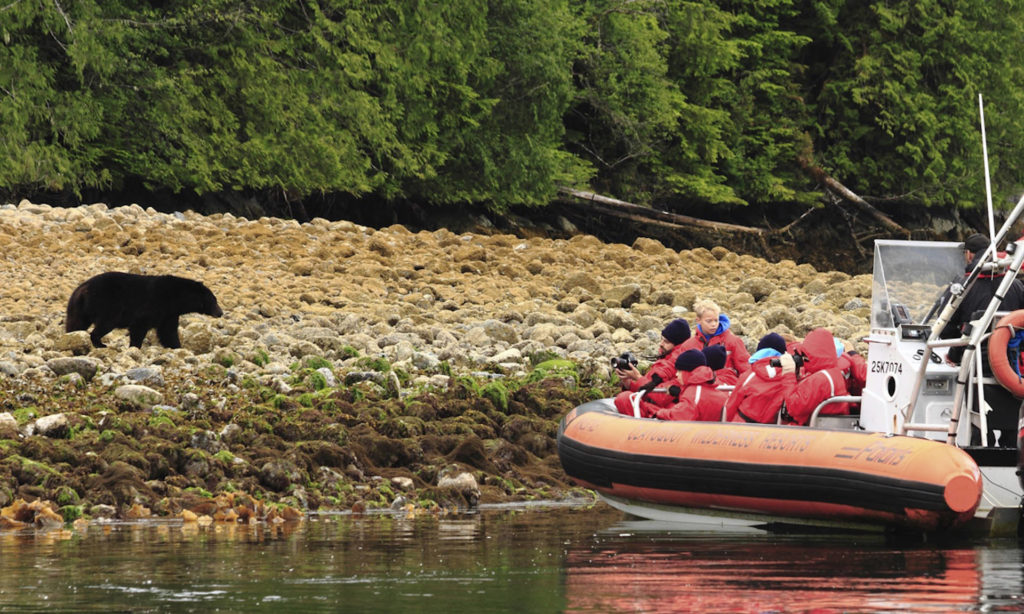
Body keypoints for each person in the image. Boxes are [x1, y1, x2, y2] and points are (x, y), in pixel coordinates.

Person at [939, 232, 1024, 446]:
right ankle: (1010, 448)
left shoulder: (964, 285)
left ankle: (977, 447)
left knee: (977, 417)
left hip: (976, 363)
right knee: (1010, 418)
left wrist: (954, 353)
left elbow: (946, 330)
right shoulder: (1015, 286)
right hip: (1011, 365)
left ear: (970, 255)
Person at [613, 318, 691, 417]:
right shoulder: (664, 360)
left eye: (666, 342)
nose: (661, 344)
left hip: (666, 414)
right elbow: (648, 387)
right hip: (654, 409)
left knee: (624, 398)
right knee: (624, 398)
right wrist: (628, 383)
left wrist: (638, 377)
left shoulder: (682, 367)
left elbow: (662, 397)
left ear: (677, 344)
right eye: (661, 339)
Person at [777, 328, 853, 425]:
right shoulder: (833, 372)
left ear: (813, 353)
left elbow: (794, 407)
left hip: (813, 430)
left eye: (805, 354)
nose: (804, 358)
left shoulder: (820, 379)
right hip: (828, 428)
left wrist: (788, 373)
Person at [724, 332, 795, 423]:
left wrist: (726, 423)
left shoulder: (749, 375)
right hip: (775, 430)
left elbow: (732, 403)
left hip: (742, 426)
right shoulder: (790, 377)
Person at [679, 299, 751, 377]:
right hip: (698, 387)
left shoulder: (733, 341)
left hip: (727, 386)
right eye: (709, 321)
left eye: (716, 320)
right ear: (698, 320)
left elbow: (746, 369)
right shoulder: (688, 346)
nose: (713, 324)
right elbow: (681, 374)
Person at [655, 350, 730, 421]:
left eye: (679, 371)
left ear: (688, 372)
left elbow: (679, 415)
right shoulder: (712, 384)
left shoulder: (693, 393)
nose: (676, 374)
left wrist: (660, 413)